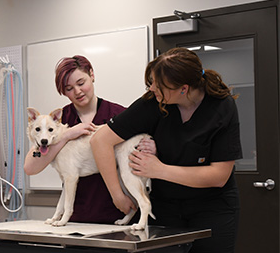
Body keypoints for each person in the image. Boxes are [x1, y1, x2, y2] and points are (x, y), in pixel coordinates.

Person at [91, 47, 241, 253]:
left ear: (183, 89)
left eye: (159, 85)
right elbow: (100, 141)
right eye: (151, 82)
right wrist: (117, 195)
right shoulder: (153, 103)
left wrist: (158, 169)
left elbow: (218, 175)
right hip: (165, 206)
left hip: (213, 206)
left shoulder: (221, 107)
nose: (152, 89)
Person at [24, 55, 154, 223]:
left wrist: (151, 147)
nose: (77, 91)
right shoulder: (58, 120)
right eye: (69, 88)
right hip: (78, 218)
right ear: (63, 91)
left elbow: (144, 146)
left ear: (92, 75)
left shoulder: (118, 114)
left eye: (81, 83)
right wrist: (66, 135)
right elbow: (31, 165)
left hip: (118, 212)